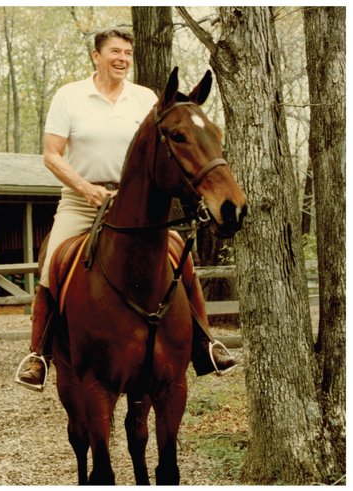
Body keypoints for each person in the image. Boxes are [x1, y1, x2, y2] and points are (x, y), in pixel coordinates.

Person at [15, 28, 236, 391]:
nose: (122, 58)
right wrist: (86, 189)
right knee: (52, 263)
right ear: (96, 56)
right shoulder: (70, 96)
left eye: (127, 53)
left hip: (135, 205)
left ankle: (205, 343)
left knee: (184, 259)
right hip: (82, 199)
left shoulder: (144, 98)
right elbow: (51, 154)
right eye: (114, 51)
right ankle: (38, 354)